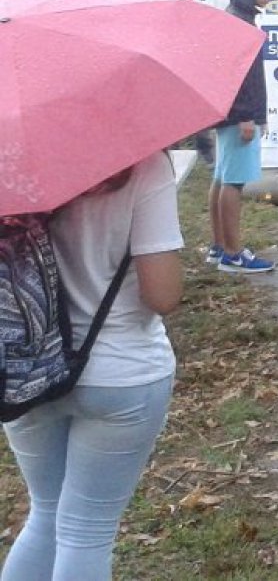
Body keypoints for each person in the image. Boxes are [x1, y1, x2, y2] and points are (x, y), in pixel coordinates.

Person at [1, 152, 183, 580]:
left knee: (45, 514)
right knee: (86, 532)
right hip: (122, 373)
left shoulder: (11, 163)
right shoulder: (144, 166)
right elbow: (162, 295)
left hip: (28, 369)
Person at [207, 0, 276, 273]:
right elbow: (239, 77)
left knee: (222, 178)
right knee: (233, 183)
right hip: (239, 117)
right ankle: (234, 255)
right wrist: (247, 116)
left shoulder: (236, 17)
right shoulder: (239, 23)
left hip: (233, 115)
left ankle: (219, 246)